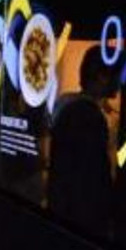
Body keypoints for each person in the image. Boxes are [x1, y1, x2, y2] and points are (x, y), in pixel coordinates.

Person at [47, 46, 118, 239]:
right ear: (101, 77)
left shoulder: (68, 106)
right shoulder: (88, 117)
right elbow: (92, 182)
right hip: (82, 225)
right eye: (115, 73)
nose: (119, 80)